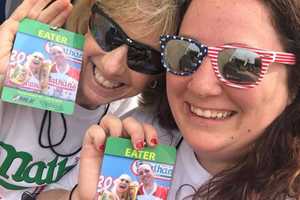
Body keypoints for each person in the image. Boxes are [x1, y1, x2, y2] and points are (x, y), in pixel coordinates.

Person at [77, 0, 300, 199]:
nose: (201, 87)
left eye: (241, 63)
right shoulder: (143, 131)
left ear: (294, 83)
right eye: (186, 52)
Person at [0, 0, 180, 199]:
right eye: (108, 33)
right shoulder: (21, 65)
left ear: (159, 76)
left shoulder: (127, 125)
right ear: (86, 21)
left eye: (144, 57)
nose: (112, 66)